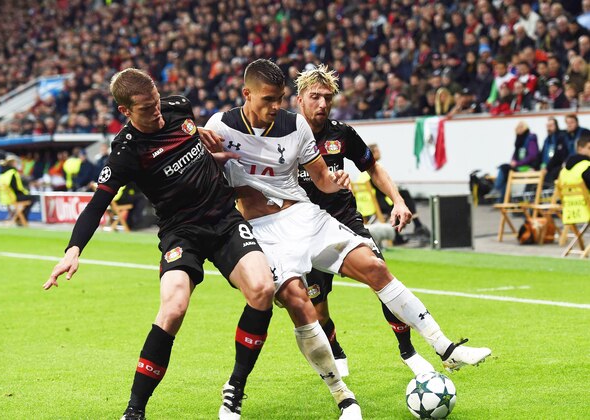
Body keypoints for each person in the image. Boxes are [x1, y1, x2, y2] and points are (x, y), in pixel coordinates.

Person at [204, 59, 491, 410]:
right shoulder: (219, 125)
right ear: (246, 94)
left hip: (306, 217)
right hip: (263, 232)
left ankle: (445, 348)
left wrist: (335, 181)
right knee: (303, 304)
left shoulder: (296, 127)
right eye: (268, 100)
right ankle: (344, 397)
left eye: (279, 99)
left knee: (376, 267)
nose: (275, 107)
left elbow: (322, 178)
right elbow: (202, 170)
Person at [43, 68, 276, 420]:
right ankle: (134, 410)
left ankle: (235, 388)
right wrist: (72, 251)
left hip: (224, 220)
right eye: (147, 109)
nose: (156, 111)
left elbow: (189, 151)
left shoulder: (179, 108)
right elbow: (97, 205)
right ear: (125, 111)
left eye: (156, 101)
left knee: (262, 289)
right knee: (173, 308)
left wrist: (214, 156)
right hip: (181, 232)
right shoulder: (126, 150)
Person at [293, 65, 435, 378]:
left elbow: (374, 168)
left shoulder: (341, 134)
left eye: (327, 98)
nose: (322, 104)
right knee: (316, 306)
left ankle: (408, 351)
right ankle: (336, 350)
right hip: (305, 231)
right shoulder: (285, 136)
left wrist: (398, 200)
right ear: (299, 100)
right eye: (314, 97)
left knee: (380, 276)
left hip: (345, 221)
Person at [487, 121, 541, 201]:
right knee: (505, 173)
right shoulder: (519, 140)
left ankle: (497, 189)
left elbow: (532, 156)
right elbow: (515, 154)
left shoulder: (530, 139)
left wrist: (517, 163)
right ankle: (502, 199)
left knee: (504, 168)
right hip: (519, 166)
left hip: (527, 167)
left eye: (520, 127)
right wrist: (513, 161)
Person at [540, 117, 568, 186]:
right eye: (547, 126)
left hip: (556, 165)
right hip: (546, 165)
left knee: (551, 173)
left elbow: (558, 155)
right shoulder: (547, 139)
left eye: (551, 126)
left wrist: (547, 168)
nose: (549, 128)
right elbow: (541, 154)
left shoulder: (561, 137)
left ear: (556, 126)